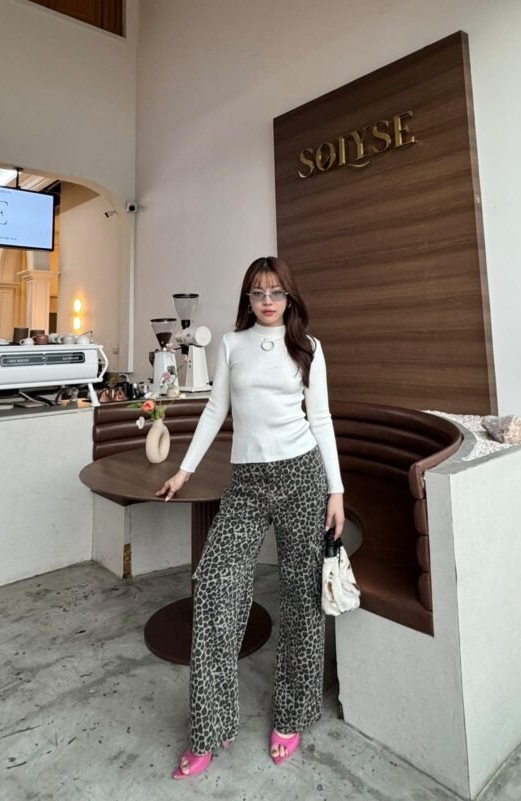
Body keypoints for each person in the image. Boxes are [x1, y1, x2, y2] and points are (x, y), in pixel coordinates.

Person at [156, 256, 345, 779]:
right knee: (215, 585)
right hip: (247, 483)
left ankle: (293, 714)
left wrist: (336, 489)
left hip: (302, 475)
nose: (267, 301)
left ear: (289, 297)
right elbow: (215, 411)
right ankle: (208, 727)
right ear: (248, 298)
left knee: (301, 598)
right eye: (258, 292)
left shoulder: (308, 348)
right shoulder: (232, 345)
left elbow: (321, 418)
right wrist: (185, 470)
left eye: (276, 292)